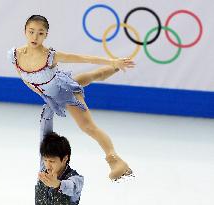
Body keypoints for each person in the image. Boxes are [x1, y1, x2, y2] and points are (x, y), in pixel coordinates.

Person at [8, 14, 135, 181]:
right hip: (53, 90)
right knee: (88, 77)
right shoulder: (14, 55)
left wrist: (112, 60)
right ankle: (114, 69)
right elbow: (26, 79)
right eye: (31, 32)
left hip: (65, 91)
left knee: (88, 127)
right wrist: (44, 96)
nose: (35, 36)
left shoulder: (50, 56)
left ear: (46, 35)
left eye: (40, 33)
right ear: (24, 31)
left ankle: (116, 161)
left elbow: (84, 58)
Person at [35, 104, 83, 205]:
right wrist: (51, 104)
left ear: (65, 158)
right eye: (45, 160)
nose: (47, 165)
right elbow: (44, 131)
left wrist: (57, 184)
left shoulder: (76, 179)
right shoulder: (45, 166)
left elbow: (71, 186)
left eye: (52, 161)